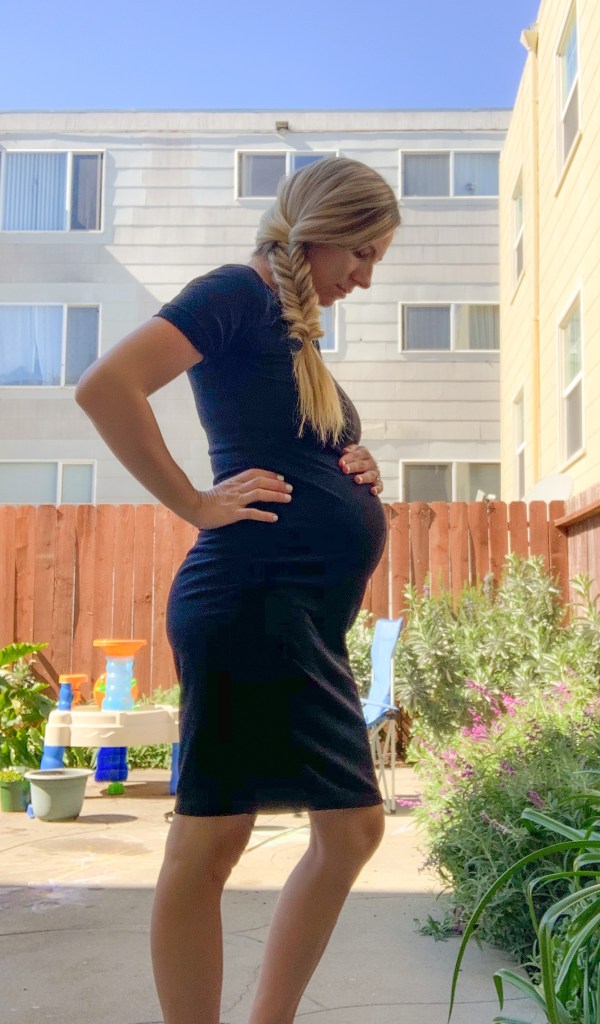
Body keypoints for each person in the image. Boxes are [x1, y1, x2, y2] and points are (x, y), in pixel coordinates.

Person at [74, 156, 400, 1024]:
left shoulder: (293, 331)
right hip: (250, 603)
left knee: (349, 830)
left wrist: (356, 464)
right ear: (324, 231)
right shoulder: (236, 292)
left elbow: (293, 444)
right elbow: (106, 388)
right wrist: (193, 502)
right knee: (215, 836)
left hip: (300, 618)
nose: (365, 278)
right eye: (363, 254)